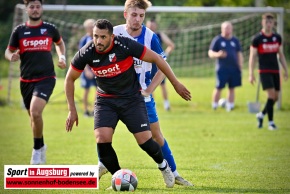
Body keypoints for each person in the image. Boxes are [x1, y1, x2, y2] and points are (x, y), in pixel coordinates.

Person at [65, 19, 191, 188]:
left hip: (131, 99)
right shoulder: (87, 51)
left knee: (145, 141)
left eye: (103, 37)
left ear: (112, 36)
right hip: (105, 101)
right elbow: (69, 78)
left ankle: (164, 166)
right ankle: (118, 178)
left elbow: (158, 59)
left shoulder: (124, 45)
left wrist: (176, 83)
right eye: (96, 36)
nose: (99, 41)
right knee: (102, 139)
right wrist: (72, 110)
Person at [107, 0, 193, 186]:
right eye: (134, 15)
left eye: (141, 16)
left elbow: (162, 66)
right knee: (104, 135)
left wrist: (149, 90)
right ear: (125, 14)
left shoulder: (151, 37)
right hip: (115, 95)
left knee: (156, 135)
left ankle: (174, 173)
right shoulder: (113, 33)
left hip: (141, 96)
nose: (138, 19)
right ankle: (104, 169)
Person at [5, 0, 66, 164]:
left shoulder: (50, 28)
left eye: (38, 6)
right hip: (26, 80)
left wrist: (62, 57)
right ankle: (41, 145)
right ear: (27, 9)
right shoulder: (19, 31)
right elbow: (8, 51)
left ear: (42, 8)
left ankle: (36, 150)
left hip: (46, 78)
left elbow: (59, 42)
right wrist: (11, 56)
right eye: (31, 7)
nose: (35, 9)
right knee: (33, 118)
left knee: (35, 111)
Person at [249, 13, 288, 130]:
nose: (269, 24)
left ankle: (261, 115)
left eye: (271, 22)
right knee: (271, 95)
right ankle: (271, 123)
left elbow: (281, 55)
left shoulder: (277, 38)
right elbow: (252, 57)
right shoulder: (257, 39)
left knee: (275, 98)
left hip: (275, 70)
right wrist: (251, 74)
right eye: (266, 22)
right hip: (264, 70)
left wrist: (286, 70)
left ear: (273, 23)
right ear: (263, 23)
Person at [208, 21, 243, 111]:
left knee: (232, 88)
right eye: (225, 28)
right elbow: (210, 53)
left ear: (231, 29)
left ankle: (230, 106)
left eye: (228, 28)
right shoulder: (218, 39)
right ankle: (214, 106)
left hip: (234, 68)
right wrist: (218, 54)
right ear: (221, 29)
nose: (227, 30)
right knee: (219, 87)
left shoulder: (235, 40)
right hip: (222, 68)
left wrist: (240, 65)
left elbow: (239, 53)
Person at [146, 18, 175, 111]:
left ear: (156, 25)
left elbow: (171, 45)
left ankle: (166, 104)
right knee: (149, 85)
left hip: (158, 64)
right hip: (147, 64)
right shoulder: (144, 35)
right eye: (149, 25)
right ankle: (151, 105)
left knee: (162, 84)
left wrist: (164, 55)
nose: (151, 26)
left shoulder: (159, 35)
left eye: (153, 25)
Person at [79, 19, 98, 117]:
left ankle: (95, 110)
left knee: (98, 89)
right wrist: (87, 70)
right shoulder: (84, 40)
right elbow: (81, 57)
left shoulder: (99, 39)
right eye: (89, 27)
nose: (91, 29)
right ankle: (86, 110)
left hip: (97, 69)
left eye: (92, 26)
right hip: (87, 69)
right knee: (86, 90)